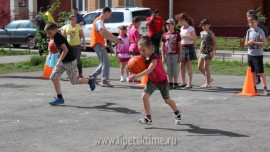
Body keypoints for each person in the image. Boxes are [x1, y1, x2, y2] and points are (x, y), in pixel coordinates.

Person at [129, 36, 181, 125]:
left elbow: (149, 70)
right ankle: (148, 118)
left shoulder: (155, 57)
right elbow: (135, 64)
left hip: (162, 82)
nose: (142, 53)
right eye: (140, 50)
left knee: (167, 100)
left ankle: (177, 113)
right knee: (144, 97)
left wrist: (136, 76)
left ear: (150, 48)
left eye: (143, 50)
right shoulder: (143, 58)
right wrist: (130, 68)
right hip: (152, 81)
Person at [44, 22, 96, 105]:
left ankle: (90, 81)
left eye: (50, 33)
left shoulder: (58, 38)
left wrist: (59, 61)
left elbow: (66, 50)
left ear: (55, 30)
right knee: (53, 77)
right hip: (64, 60)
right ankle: (59, 97)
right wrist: (60, 55)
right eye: (47, 33)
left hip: (70, 62)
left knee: (74, 81)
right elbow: (63, 49)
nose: (48, 35)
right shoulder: (56, 36)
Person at [89, 7, 124, 87]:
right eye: (110, 14)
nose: (110, 16)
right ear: (106, 12)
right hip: (98, 44)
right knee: (106, 62)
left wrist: (116, 38)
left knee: (104, 62)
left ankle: (93, 76)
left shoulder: (100, 21)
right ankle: (104, 81)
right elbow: (103, 35)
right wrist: (116, 41)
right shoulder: (99, 21)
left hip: (99, 44)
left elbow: (107, 32)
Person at [246, 15, 270, 95]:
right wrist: (248, 43)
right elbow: (246, 42)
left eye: (252, 22)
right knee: (252, 72)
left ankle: (265, 88)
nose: (251, 24)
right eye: (249, 22)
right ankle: (254, 87)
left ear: (257, 22)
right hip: (250, 54)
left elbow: (264, 43)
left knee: (260, 72)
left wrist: (254, 42)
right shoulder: (249, 31)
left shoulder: (260, 31)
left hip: (258, 55)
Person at [176, 13, 197, 89]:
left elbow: (194, 38)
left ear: (184, 20)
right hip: (182, 47)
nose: (178, 23)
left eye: (180, 21)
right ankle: (183, 81)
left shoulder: (190, 28)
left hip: (189, 47)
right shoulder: (181, 28)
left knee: (189, 66)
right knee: (181, 65)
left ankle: (189, 83)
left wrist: (187, 36)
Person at [161, 19, 181, 89]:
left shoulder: (177, 34)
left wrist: (180, 55)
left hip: (175, 54)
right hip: (167, 54)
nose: (168, 26)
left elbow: (179, 46)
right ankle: (170, 83)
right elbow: (162, 46)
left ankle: (175, 83)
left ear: (173, 25)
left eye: (169, 25)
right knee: (168, 70)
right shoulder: (164, 35)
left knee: (175, 69)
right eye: (167, 25)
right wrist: (163, 56)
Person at [198, 19, 216, 88]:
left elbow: (215, 43)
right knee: (199, 67)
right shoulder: (201, 33)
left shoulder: (211, 33)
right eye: (202, 25)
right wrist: (200, 51)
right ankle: (209, 78)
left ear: (209, 25)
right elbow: (202, 42)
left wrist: (212, 51)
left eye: (205, 25)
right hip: (202, 51)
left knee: (206, 68)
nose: (204, 27)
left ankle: (207, 83)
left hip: (208, 52)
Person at [129, 16, 142, 83]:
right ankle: (134, 77)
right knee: (137, 64)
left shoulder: (131, 29)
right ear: (134, 23)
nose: (139, 25)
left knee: (132, 63)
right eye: (138, 23)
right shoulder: (136, 30)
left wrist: (140, 35)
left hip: (131, 47)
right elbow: (137, 40)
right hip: (136, 48)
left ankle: (130, 77)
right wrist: (141, 38)